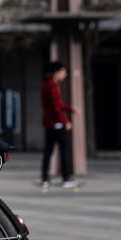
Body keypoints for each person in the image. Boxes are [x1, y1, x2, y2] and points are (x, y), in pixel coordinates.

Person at [41, 60, 78, 190]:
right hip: (56, 123)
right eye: (63, 72)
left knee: (48, 151)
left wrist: (70, 108)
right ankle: (66, 178)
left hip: (49, 123)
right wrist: (65, 121)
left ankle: (45, 178)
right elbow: (56, 107)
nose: (65, 75)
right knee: (64, 150)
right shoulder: (53, 85)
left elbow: (57, 105)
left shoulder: (47, 84)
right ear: (57, 73)